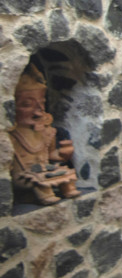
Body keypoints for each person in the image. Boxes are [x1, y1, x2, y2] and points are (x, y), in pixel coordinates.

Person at [8, 64, 80, 205]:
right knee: (39, 181)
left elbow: (52, 154)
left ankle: (68, 190)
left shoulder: (46, 132)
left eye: (42, 103)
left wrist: (64, 154)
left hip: (45, 171)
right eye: (27, 104)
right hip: (24, 177)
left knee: (67, 174)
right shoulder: (12, 137)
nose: (39, 110)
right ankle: (45, 196)